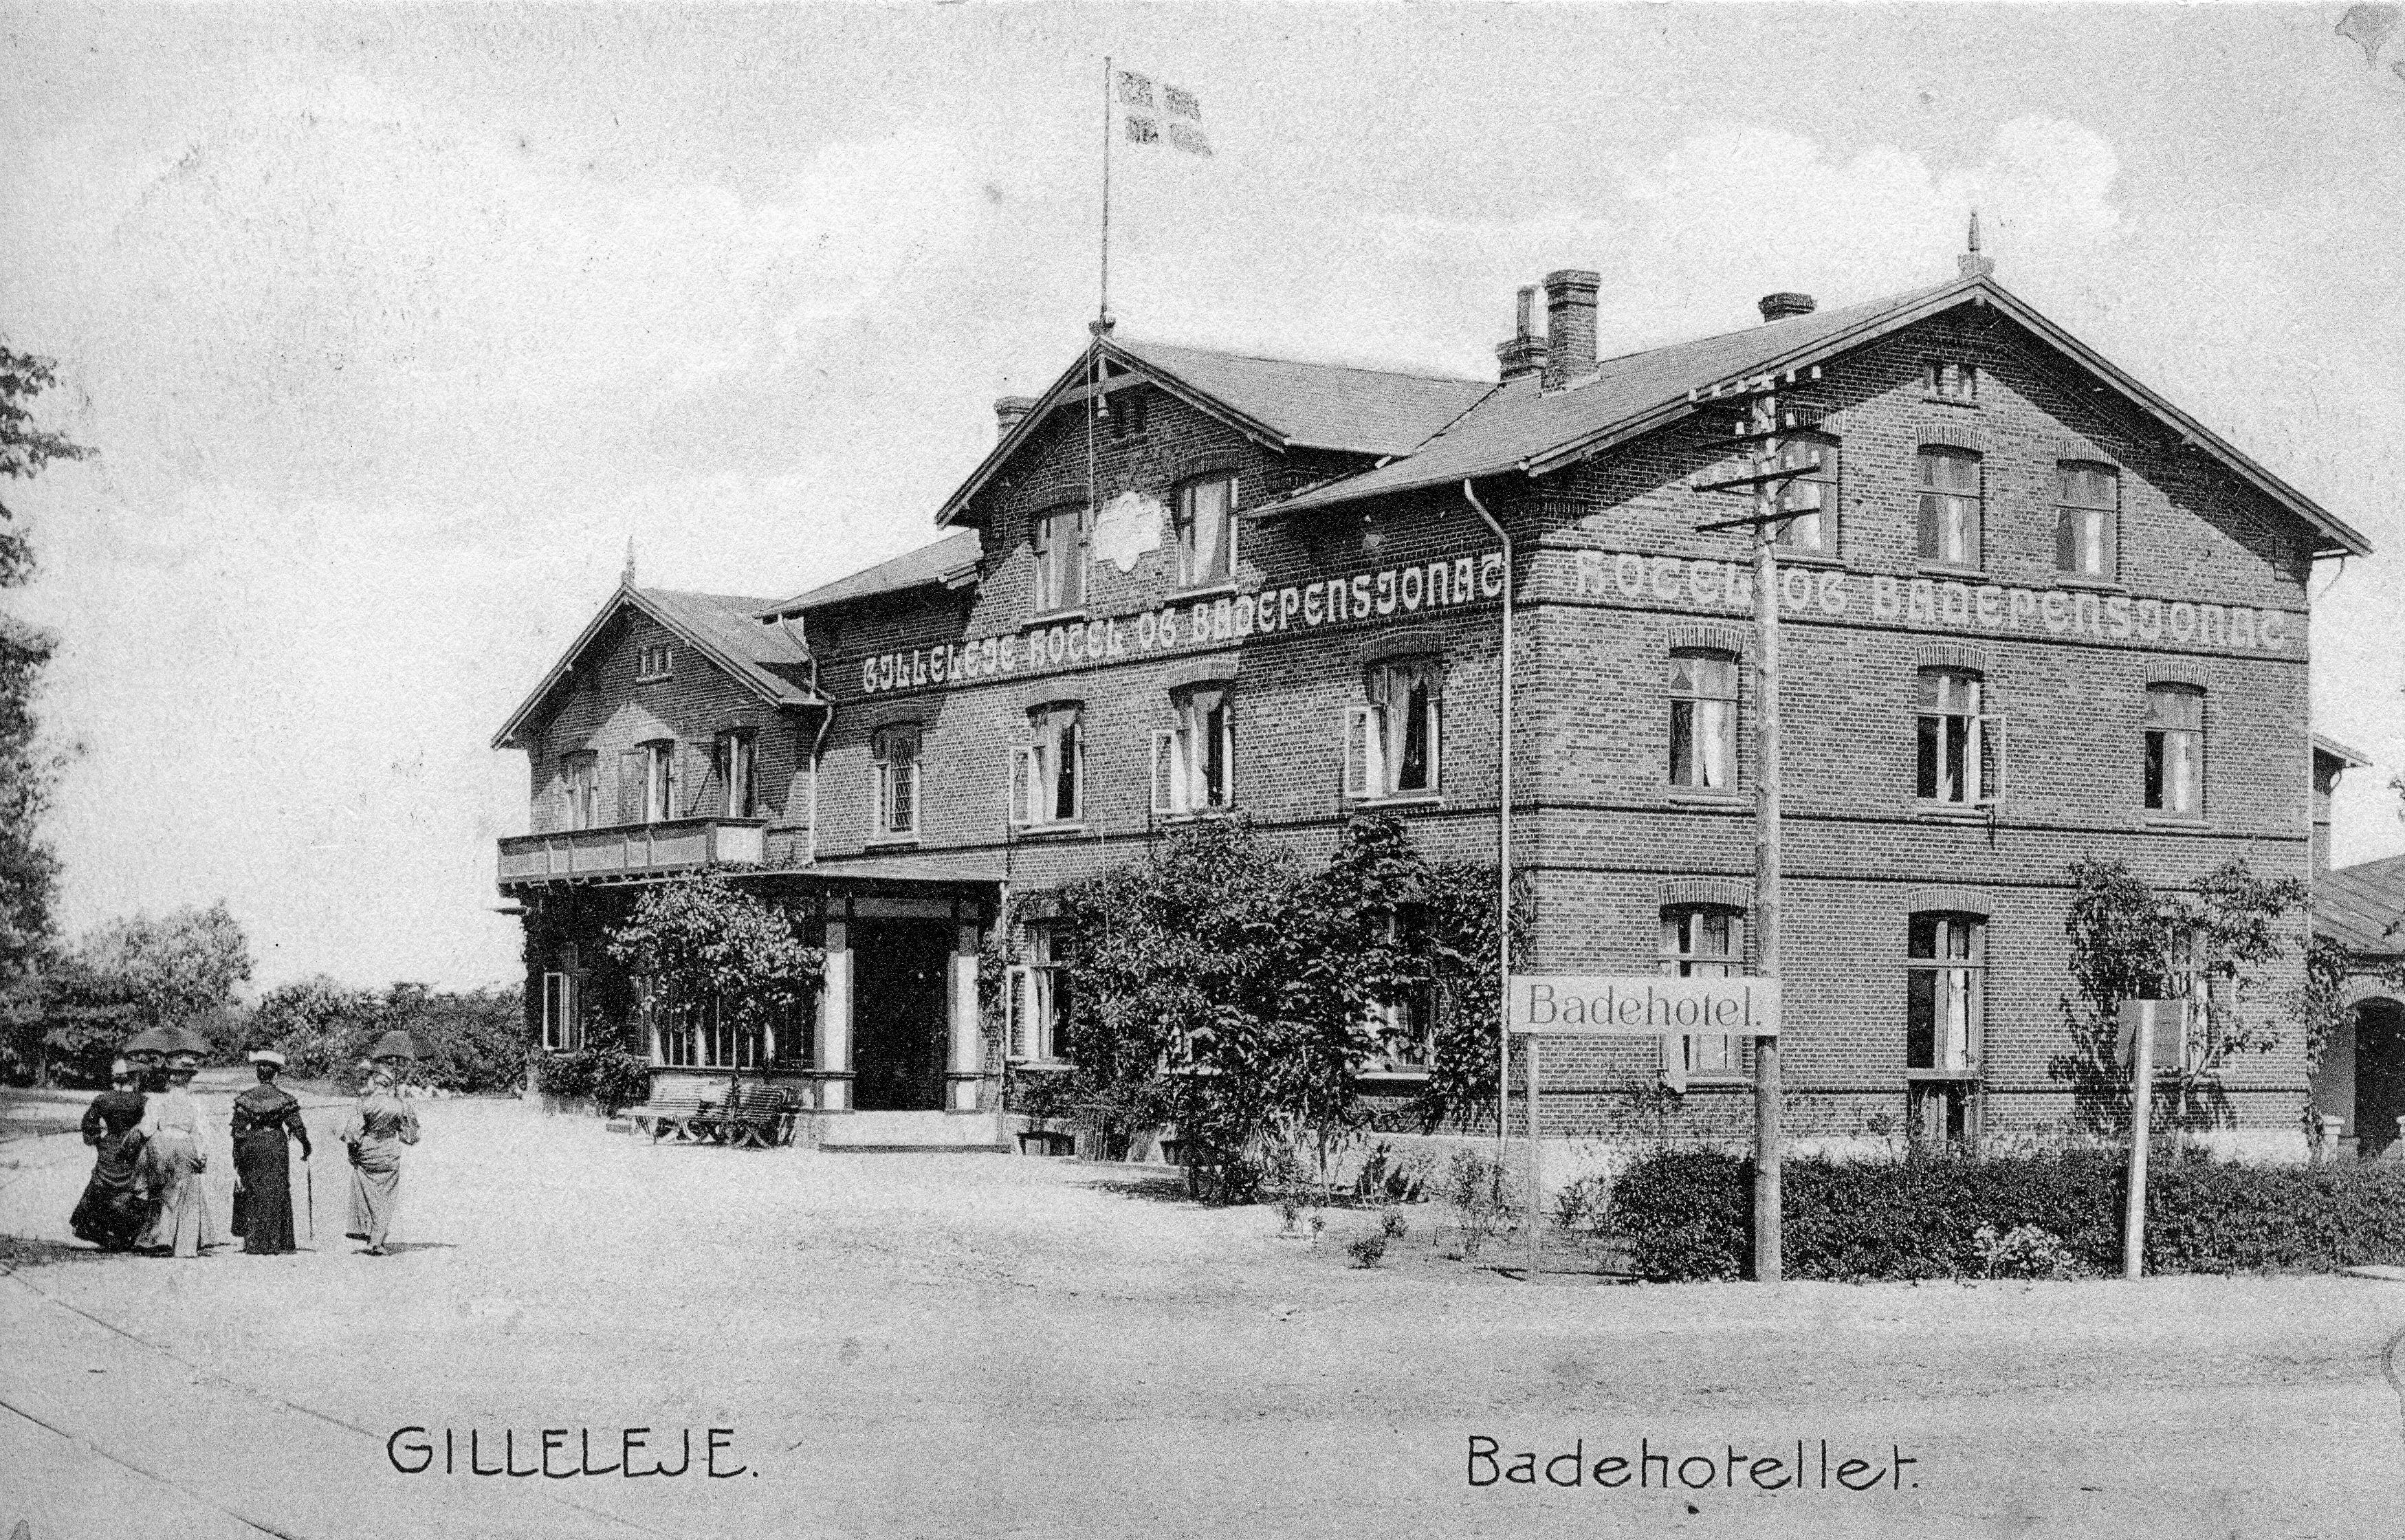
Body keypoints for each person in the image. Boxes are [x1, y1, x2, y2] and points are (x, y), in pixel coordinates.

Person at [138, 1050, 222, 1257]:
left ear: (170, 1077)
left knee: (161, 1190)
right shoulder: (195, 1104)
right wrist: (202, 1156)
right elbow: (202, 1133)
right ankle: (185, 1243)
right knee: (188, 1191)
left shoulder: (158, 1102)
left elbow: (147, 1130)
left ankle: (160, 1238)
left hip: (162, 1146)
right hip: (185, 1145)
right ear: (189, 1080)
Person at [230, 1050, 311, 1253]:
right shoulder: (285, 1099)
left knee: (254, 1188)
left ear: (258, 1074)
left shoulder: (245, 1099)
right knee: (277, 1188)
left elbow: (238, 1131)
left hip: (253, 1143)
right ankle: (278, 1241)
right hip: (275, 1144)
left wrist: (237, 1157)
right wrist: (306, 1145)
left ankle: (254, 1242)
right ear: (275, 1075)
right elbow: (297, 1126)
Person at [338, 1054, 419, 1255]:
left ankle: (370, 1232)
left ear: (375, 1082)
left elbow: (352, 1134)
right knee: (387, 1196)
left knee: (367, 1193)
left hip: (368, 1151)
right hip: (390, 1151)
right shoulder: (399, 1104)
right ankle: (378, 1239)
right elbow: (410, 1136)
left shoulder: (364, 1103)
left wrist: (352, 1155)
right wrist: (401, 1106)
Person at [70, 1059, 155, 1251]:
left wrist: (97, 1141)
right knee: (131, 1189)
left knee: (101, 1188)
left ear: (114, 1079)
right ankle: (124, 1233)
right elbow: (150, 1128)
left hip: (109, 1148)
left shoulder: (103, 1099)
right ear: (132, 1079)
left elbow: (88, 1123)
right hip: (132, 1148)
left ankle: (96, 1229)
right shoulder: (142, 1101)